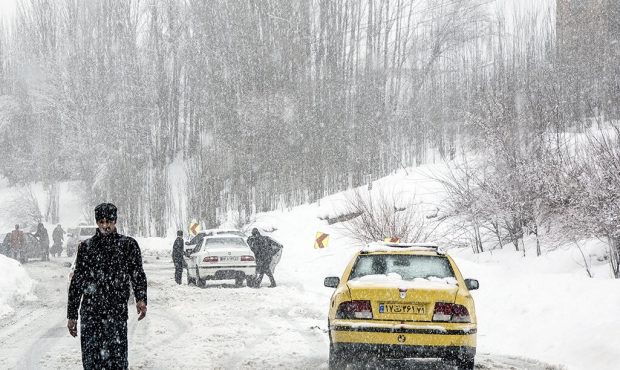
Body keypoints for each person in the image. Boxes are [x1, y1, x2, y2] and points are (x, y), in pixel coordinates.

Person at [67, 203, 148, 369]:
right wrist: (72, 315)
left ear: (115, 221)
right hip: (91, 316)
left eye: (109, 221)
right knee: (91, 364)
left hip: (116, 314)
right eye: (101, 221)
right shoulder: (86, 248)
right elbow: (77, 283)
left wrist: (141, 298)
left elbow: (137, 274)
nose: (105, 225)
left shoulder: (128, 245)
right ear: (97, 222)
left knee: (117, 364)